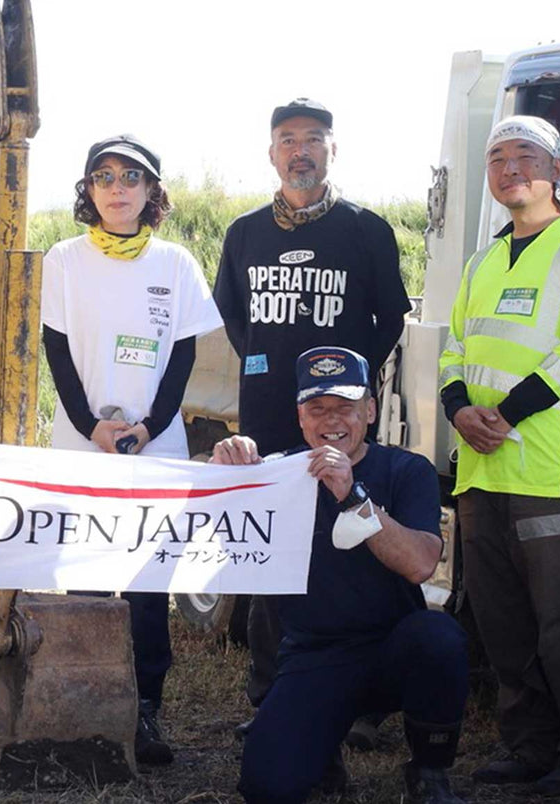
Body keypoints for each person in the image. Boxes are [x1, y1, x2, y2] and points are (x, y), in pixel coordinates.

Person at [437, 114, 560, 795]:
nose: (509, 167)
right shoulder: (484, 258)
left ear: (557, 168)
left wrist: (504, 414)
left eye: (525, 155)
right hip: (481, 465)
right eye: (497, 157)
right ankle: (528, 743)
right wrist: (460, 410)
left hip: (548, 463)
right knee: (504, 618)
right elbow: (454, 347)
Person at [213, 97, 411, 720]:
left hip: (342, 425)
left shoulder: (364, 229)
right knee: (278, 560)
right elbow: (235, 316)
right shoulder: (244, 233)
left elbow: (392, 317)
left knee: (354, 551)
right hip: (271, 420)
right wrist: (273, 368)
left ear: (332, 148)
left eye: (314, 138)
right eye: (288, 139)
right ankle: (271, 697)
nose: (301, 149)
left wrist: (347, 380)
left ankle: (364, 705)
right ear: (272, 153)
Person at [38, 134, 225, 765]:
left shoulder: (176, 264)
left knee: (149, 582)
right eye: (104, 177)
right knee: (86, 579)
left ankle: (147, 712)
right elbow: (56, 351)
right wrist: (92, 425)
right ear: (88, 192)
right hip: (81, 442)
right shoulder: (63, 259)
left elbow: (183, 356)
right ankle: (85, 713)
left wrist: (147, 429)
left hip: (156, 445)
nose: (117, 188)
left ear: (151, 192)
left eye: (130, 177)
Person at [212, 346, 467, 804]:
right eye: (317, 408)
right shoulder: (279, 474)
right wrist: (223, 478)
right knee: (266, 786)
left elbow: (421, 563)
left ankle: (429, 770)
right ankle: (323, 749)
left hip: (394, 648)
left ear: (369, 411)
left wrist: (354, 497)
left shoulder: (407, 470)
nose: (332, 421)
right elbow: (208, 540)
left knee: (439, 637)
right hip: (317, 655)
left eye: (345, 408)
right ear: (300, 417)